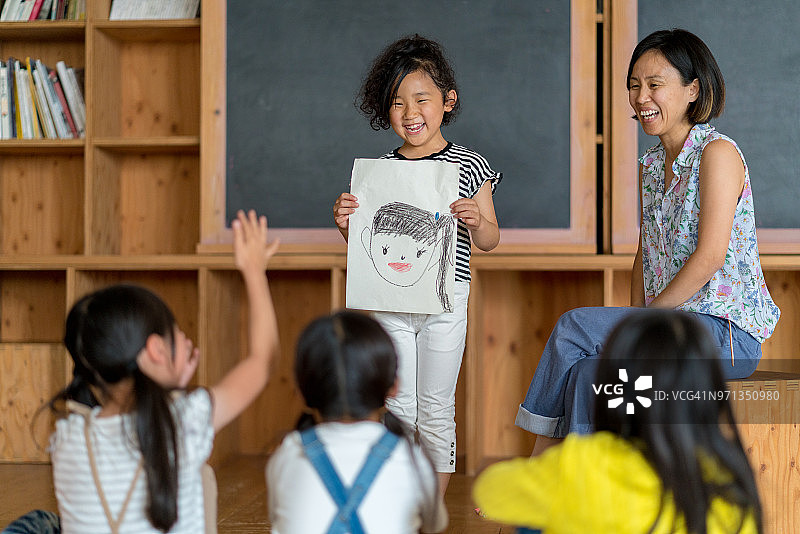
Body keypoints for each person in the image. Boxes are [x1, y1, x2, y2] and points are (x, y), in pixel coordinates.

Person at [515, 28, 780, 455]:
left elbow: (710, 257)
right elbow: (647, 251)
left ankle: (537, 472)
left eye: (654, 85)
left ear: (693, 89)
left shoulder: (718, 154)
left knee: (572, 327)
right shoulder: (652, 165)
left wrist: (640, 323)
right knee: (586, 373)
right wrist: (635, 318)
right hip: (672, 328)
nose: (641, 98)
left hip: (726, 335)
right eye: (634, 86)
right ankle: (585, 493)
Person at [333, 34, 501, 494]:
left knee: (436, 404)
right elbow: (368, 244)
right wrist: (347, 223)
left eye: (421, 99)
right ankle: (402, 501)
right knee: (399, 405)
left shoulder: (470, 165)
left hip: (446, 302)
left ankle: (434, 505)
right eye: (397, 103)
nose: (410, 113)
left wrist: (475, 218)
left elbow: (490, 239)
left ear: (448, 102)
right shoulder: (381, 171)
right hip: (390, 301)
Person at [45, 209, 279, 533]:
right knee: (204, 477)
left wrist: (170, 392)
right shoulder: (186, 422)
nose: (185, 340)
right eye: (178, 334)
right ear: (155, 350)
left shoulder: (66, 438)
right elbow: (262, 360)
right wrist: (254, 270)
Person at [474, 310, 763, 533]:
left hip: (572, 485)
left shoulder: (580, 462)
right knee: (583, 369)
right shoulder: (726, 483)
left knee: (536, 513)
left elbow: (490, 492)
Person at [266, 311, 448, 534]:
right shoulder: (413, 460)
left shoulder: (288, 453)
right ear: (394, 386)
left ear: (302, 392)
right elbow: (433, 526)